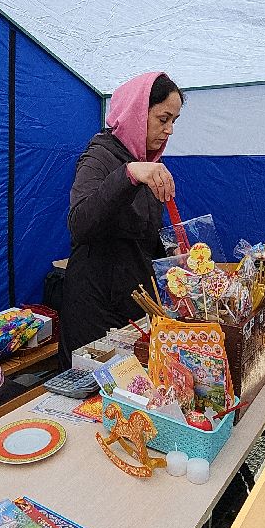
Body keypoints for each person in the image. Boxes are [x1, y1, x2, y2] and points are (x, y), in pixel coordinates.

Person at [58, 71, 183, 368]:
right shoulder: (99, 156)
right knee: (91, 397)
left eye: (174, 122)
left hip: (131, 305)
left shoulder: (151, 163)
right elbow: (80, 223)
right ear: (138, 113)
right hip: (94, 307)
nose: (169, 131)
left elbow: (144, 233)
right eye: (162, 119)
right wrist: (128, 176)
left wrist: (170, 254)